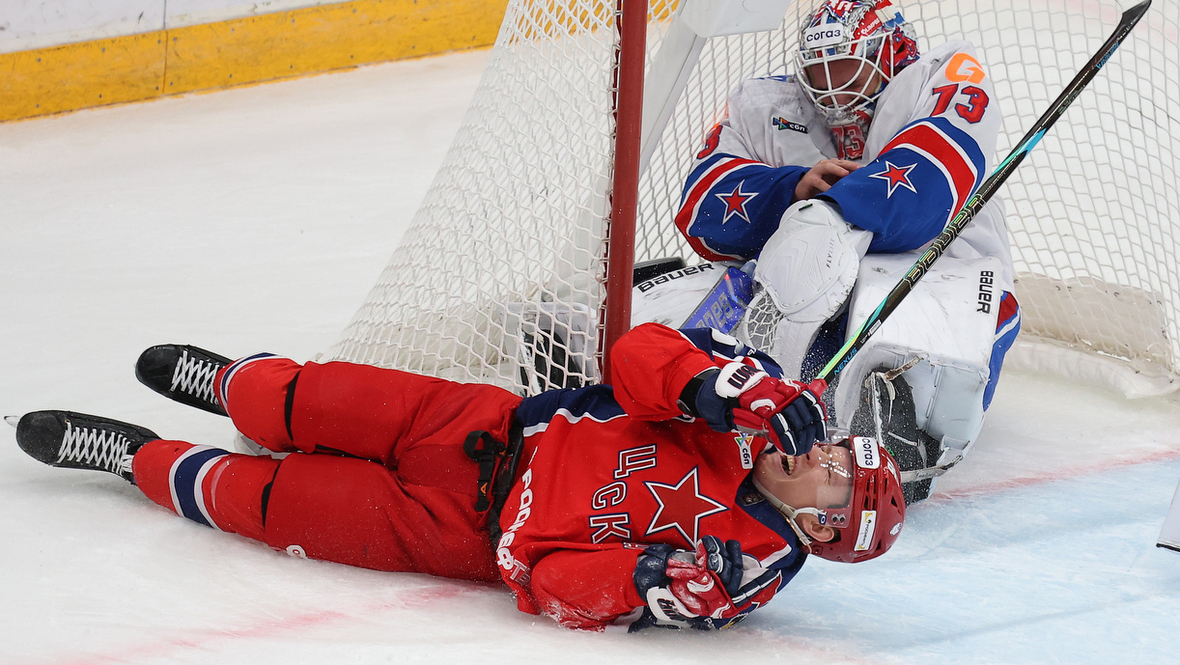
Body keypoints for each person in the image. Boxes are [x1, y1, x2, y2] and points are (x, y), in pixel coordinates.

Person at [11, 322, 905, 632]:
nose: (827, 453)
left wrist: (647, 582)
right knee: (308, 395)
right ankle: (232, 388)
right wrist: (713, 386)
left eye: (837, 478)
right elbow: (635, 355)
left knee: (266, 501)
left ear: (821, 531)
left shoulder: (736, 573)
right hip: (480, 421)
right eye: (841, 450)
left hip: (455, 534)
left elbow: (556, 586)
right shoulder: (762, 407)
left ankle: (132, 457)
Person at [668, 0, 1022, 503]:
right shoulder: (764, 101)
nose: (830, 84)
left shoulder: (941, 76)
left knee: (972, 329)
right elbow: (700, 208)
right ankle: (719, 398)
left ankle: (900, 431)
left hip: (939, 257)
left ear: (890, 50)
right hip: (793, 276)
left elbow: (931, 185)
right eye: (819, 67)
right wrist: (791, 190)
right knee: (699, 318)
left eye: (845, 64)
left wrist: (831, 209)